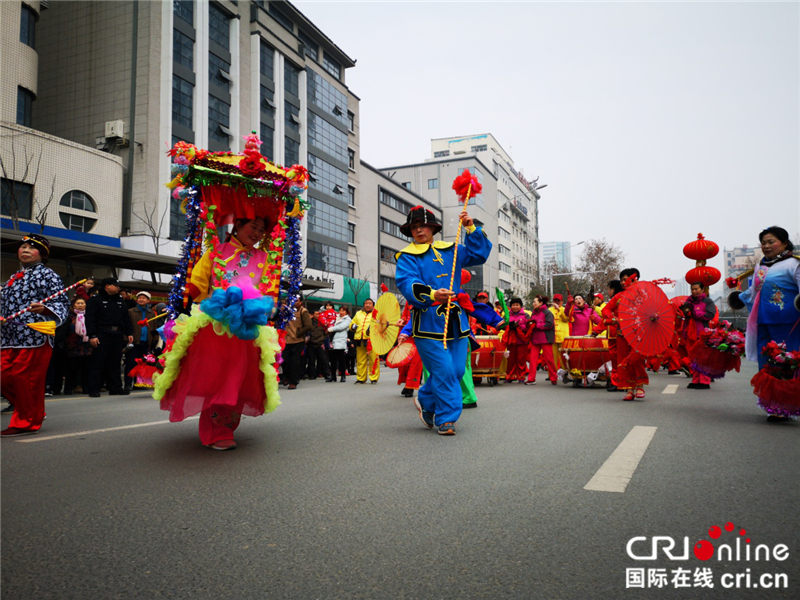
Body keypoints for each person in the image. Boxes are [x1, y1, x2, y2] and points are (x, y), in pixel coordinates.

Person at [155, 216, 282, 450]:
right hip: (215, 324)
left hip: (247, 327)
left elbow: (269, 289)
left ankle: (225, 426)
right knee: (217, 377)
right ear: (238, 226)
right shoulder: (217, 251)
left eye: (261, 230)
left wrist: (269, 310)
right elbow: (198, 280)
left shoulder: (266, 258)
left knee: (241, 378)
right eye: (252, 227)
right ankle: (216, 430)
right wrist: (184, 299)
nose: (257, 233)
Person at [396, 205, 491, 435]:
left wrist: (471, 227)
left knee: (457, 371)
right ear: (410, 231)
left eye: (423, 226)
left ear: (432, 228)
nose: (419, 230)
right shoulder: (406, 257)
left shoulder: (452, 249)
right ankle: (447, 418)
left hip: (456, 323)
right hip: (427, 324)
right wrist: (431, 295)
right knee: (445, 371)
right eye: (415, 227)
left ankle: (426, 400)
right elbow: (407, 283)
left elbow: (479, 254)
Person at [1, 235, 69, 436]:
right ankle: (31, 409)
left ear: (42, 254)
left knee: (25, 379)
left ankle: (27, 422)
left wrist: (46, 308)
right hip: (8, 337)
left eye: (31, 247)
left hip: (35, 336)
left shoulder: (49, 275)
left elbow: (62, 303)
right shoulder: (13, 278)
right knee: (4, 377)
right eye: (22, 247)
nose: (25, 250)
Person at [730, 226, 800, 421]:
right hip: (762, 321)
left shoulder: (794, 265)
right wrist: (739, 298)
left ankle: (785, 405)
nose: (767, 246)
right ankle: (772, 404)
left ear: (785, 243)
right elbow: (754, 293)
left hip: (788, 322)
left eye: (771, 242)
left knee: (786, 361)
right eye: (764, 243)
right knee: (767, 362)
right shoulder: (761, 265)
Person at [85, 277, 133, 397]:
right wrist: (92, 335)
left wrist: (129, 333)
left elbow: (126, 318)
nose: (118, 288)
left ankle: (115, 387)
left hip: (117, 334)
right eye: (115, 285)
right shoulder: (95, 300)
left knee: (115, 362)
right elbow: (90, 319)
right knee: (98, 362)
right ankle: (94, 388)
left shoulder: (120, 300)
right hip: (102, 333)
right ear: (107, 286)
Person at [604, 268, 648, 400]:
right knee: (624, 362)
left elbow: (652, 310)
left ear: (636, 279)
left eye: (626, 279)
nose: (623, 282)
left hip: (639, 334)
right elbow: (606, 309)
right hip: (622, 334)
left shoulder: (643, 295)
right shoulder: (618, 297)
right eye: (622, 280)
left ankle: (640, 385)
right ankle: (629, 389)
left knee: (636, 359)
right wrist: (612, 318)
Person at [680, 282, 717, 390]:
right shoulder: (688, 302)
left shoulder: (707, 301)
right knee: (693, 358)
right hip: (689, 332)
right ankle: (695, 379)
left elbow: (710, 315)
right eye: (692, 289)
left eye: (696, 289)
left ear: (702, 289)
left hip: (702, 333)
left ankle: (705, 381)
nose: (694, 291)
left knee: (703, 358)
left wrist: (695, 313)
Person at [125, 291, 157, 390]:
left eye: (144, 298)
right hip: (134, 341)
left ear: (148, 300)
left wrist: (154, 340)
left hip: (146, 342)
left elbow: (155, 327)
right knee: (130, 363)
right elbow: (126, 326)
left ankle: (138, 383)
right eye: (139, 298)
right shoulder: (130, 311)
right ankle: (127, 384)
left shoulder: (151, 313)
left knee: (143, 364)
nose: (141, 299)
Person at [63, 296, 92, 394]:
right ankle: (68, 388)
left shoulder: (89, 316)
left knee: (86, 368)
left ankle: (85, 387)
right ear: (74, 305)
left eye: (82, 303)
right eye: (78, 303)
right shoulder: (69, 316)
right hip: (72, 345)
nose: (80, 305)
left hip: (86, 345)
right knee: (71, 368)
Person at [598, 280, 624, 392]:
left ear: (613, 290)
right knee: (620, 360)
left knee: (617, 360)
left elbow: (605, 315)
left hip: (616, 333)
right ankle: (623, 382)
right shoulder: (620, 298)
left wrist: (596, 330)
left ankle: (618, 382)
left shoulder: (617, 299)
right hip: (621, 333)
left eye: (609, 289)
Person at [526, 295, 557, 385]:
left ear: (541, 303)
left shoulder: (547, 312)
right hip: (535, 339)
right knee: (532, 360)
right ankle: (531, 379)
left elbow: (549, 325)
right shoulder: (534, 313)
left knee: (549, 359)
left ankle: (553, 377)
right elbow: (532, 323)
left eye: (535, 301)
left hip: (545, 339)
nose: (533, 303)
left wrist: (536, 325)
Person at [282, 297, 312, 390]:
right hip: (286, 339)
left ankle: (293, 382)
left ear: (301, 302)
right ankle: (287, 376)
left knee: (294, 362)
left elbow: (308, 326)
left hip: (297, 340)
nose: (294, 303)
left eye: (297, 301)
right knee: (283, 360)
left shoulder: (303, 311)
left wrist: (299, 333)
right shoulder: (286, 310)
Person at [351, 298, 380, 384]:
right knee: (360, 360)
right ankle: (361, 378)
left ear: (373, 305)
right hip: (360, 339)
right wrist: (352, 326)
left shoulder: (377, 313)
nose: (367, 305)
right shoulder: (358, 313)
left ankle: (373, 377)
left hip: (373, 339)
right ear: (363, 304)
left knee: (373, 359)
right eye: (366, 303)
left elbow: (381, 324)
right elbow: (352, 323)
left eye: (369, 303)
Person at [504, 298, 529, 383]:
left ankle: (521, 377)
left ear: (520, 306)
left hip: (522, 341)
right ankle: (509, 377)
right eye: (513, 305)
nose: (515, 307)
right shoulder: (507, 315)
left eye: (517, 305)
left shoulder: (526, 315)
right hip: (511, 340)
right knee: (510, 360)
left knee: (521, 360)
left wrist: (519, 326)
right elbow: (503, 326)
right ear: (510, 306)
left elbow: (528, 328)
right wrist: (509, 326)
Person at [327, 306, 351, 382]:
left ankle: (343, 375)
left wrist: (330, 329)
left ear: (346, 312)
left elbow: (341, 327)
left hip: (340, 340)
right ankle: (333, 376)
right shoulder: (335, 317)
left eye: (343, 311)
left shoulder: (348, 319)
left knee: (341, 359)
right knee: (332, 360)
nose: (341, 312)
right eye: (340, 310)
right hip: (332, 340)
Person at [306, 310, 331, 381]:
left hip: (320, 343)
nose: (318, 316)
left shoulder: (323, 323)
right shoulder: (309, 322)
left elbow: (327, 332)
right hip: (311, 343)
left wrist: (323, 340)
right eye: (316, 314)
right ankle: (312, 375)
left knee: (323, 360)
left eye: (319, 314)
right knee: (311, 360)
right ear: (313, 315)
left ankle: (326, 374)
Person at [549, 293, 570, 370]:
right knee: (552, 357)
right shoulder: (549, 310)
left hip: (563, 336)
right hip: (552, 337)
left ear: (562, 301)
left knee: (564, 357)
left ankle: (565, 372)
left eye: (559, 301)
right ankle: (553, 374)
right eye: (555, 300)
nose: (557, 302)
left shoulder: (565, 310)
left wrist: (559, 309)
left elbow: (566, 319)